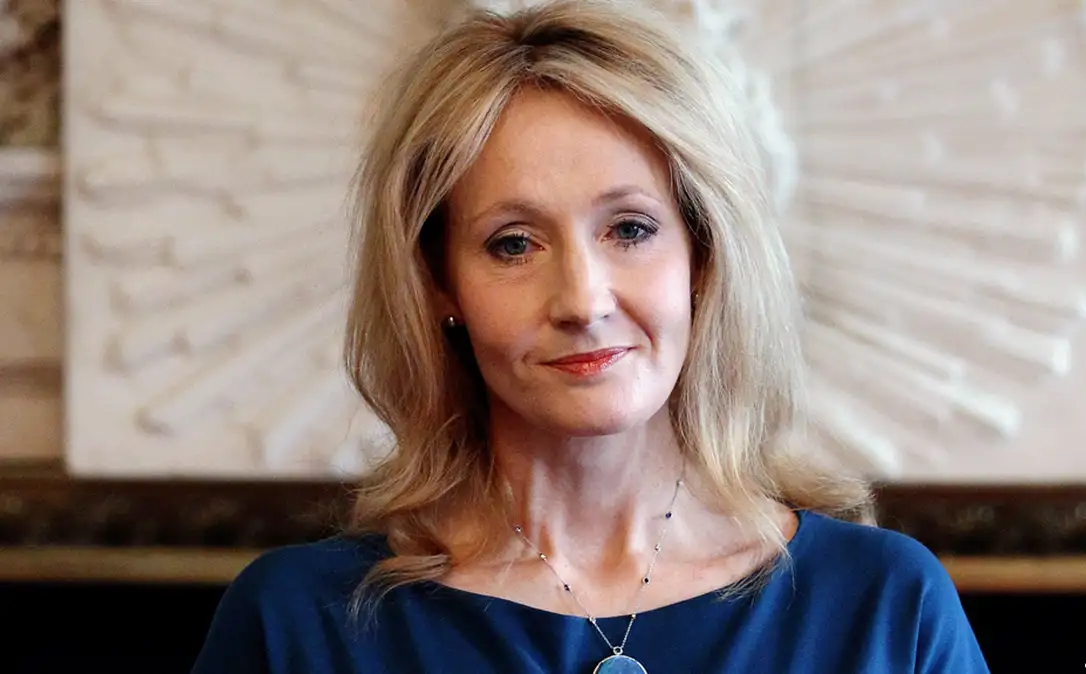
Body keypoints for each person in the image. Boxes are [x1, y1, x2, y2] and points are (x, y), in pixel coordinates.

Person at [191, 1, 990, 672]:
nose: (581, 299)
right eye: (513, 244)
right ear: (438, 283)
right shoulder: (295, 623)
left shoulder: (885, 606)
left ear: (702, 256)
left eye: (630, 229)